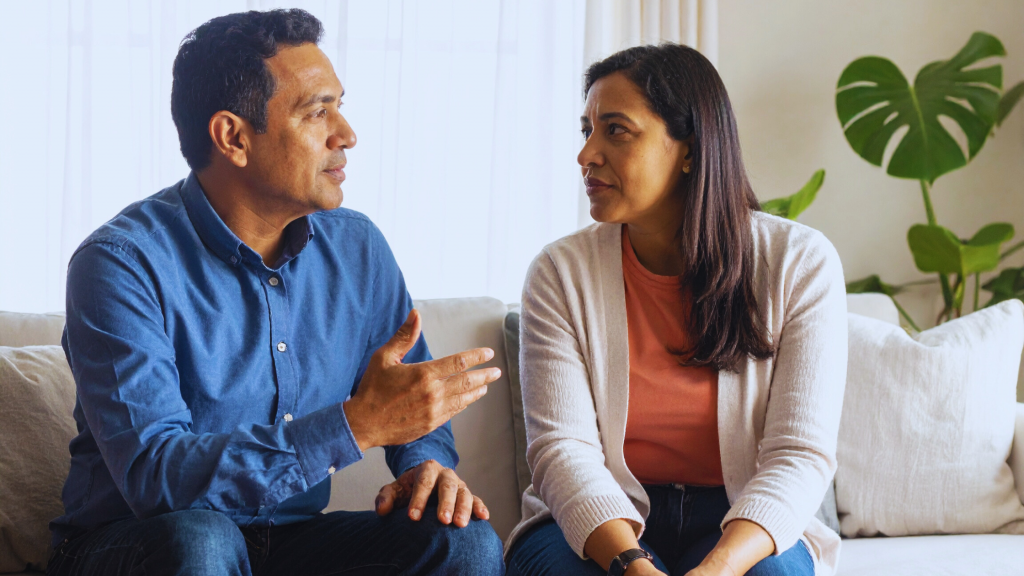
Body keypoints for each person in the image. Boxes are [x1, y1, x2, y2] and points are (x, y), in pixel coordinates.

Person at [47, 9, 504, 576]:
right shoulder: (119, 264)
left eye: (340, 104)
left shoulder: (357, 247)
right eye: (317, 111)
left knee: (464, 543)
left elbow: (410, 400)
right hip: (141, 540)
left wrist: (425, 464)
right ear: (233, 137)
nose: (347, 134)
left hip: (290, 538)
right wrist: (355, 425)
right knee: (201, 540)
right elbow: (157, 477)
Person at [505, 44, 847, 576]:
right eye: (586, 130)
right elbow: (561, 451)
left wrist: (718, 569)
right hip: (599, 516)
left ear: (689, 148)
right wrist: (635, 566)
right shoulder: (558, 273)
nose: (586, 154)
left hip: (740, 515)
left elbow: (798, 455)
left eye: (615, 130)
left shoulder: (798, 264)